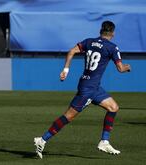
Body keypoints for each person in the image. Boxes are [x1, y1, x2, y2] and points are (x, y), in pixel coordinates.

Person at [34, 21, 131, 159]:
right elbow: (121, 69)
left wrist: (65, 70)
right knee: (68, 116)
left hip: (92, 86)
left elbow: (72, 51)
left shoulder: (89, 42)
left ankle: (104, 141)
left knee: (113, 107)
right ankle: (42, 140)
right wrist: (128, 67)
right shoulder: (112, 47)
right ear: (113, 33)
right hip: (89, 90)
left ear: (100, 31)